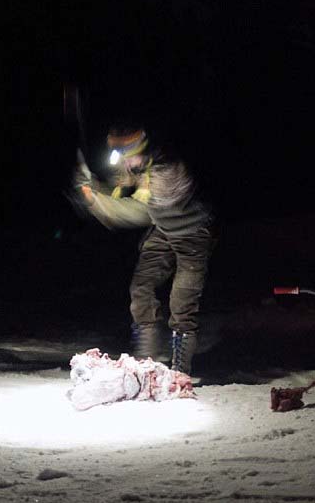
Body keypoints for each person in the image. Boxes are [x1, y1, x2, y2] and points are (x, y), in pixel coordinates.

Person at [73, 125, 216, 376]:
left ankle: (179, 371)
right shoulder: (135, 161)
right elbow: (121, 184)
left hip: (192, 234)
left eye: (127, 156)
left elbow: (138, 212)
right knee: (141, 288)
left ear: (141, 150)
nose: (124, 163)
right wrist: (92, 185)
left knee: (181, 303)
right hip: (163, 229)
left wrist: (94, 200)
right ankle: (146, 360)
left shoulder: (167, 169)